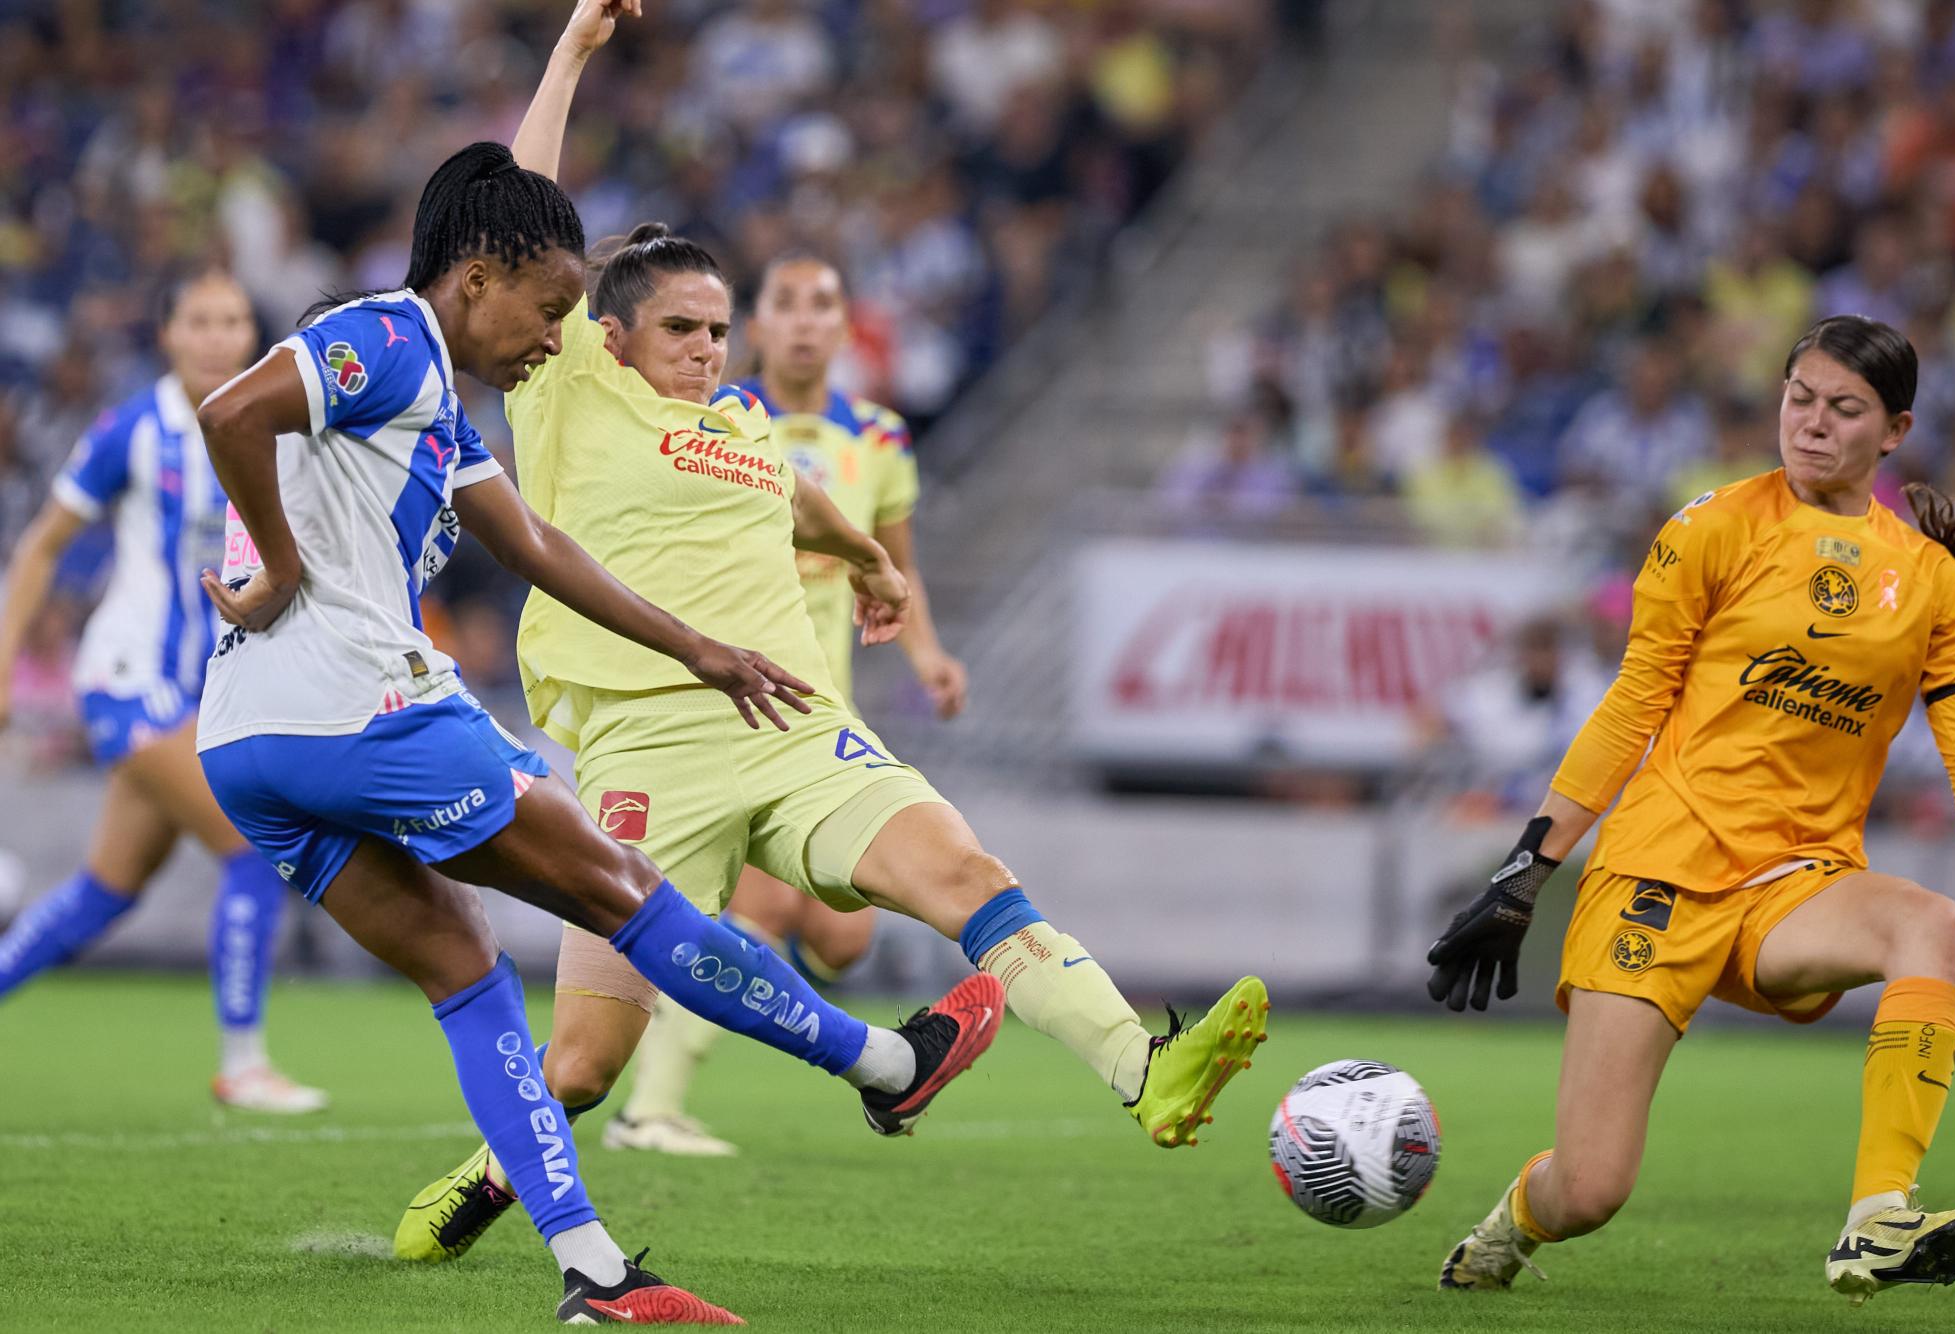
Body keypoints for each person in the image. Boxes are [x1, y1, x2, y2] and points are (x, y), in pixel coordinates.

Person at [393, 0, 1269, 1265]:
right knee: (583, 1060)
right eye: (681, 329)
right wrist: (575, 49)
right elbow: (527, 200)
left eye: (716, 330)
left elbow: (794, 490)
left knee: (964, 873)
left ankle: (1145, 1066)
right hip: (647, 756)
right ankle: (483, 1184)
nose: (704, 350)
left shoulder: (745, 424)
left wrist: (861, 554)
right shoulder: (570, 386)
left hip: (799, 729)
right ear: (607, 327)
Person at [197, 132, 1002, 1325]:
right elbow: (229, 412)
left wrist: (696, 647)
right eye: (547, 307)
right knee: (630, 895)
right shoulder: (386, 333)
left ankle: (591, 1272)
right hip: (362, 708)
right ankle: (888, 1063)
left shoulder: (439, 413)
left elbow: (535, 548)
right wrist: (278, 559)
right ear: (477, 275)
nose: (550, 335)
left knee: (470, 975)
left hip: (247, 746)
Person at [1428, 314, 1955, 1306]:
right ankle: (1517, 1214)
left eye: (1843, 408)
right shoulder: (1710, 526)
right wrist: (1528, 864)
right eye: (1798, 398)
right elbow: (1629, 703)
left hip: (1793, 887)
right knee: (1590, 1187)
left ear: (1894, 430)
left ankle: (1875, 1218)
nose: (1811, 424)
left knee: (1929, 921)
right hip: (1659, 874)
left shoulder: (1936, 588)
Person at [604, 249, 971, 1158]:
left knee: (844, 942)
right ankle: (649, 1108)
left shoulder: (878, 438)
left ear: (846, 326)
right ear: (759, 325)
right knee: (753, 913)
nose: (805, 321)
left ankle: (719, 1027)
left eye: (824, 304)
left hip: (827, 712)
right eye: (786, 305)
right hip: (734, 704)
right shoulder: (715, 417)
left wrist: (928, 655)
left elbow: (895, 564)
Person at [0, 269, 326, 1114]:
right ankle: (244, 1064)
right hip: (129, 685)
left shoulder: (273, 425)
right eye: (199, 321)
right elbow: (39, 548)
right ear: (168, 335)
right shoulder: (134, 432)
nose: (217, 336)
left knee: (105, 891)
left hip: (201, 694)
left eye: (233, 320)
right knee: (252, 849)